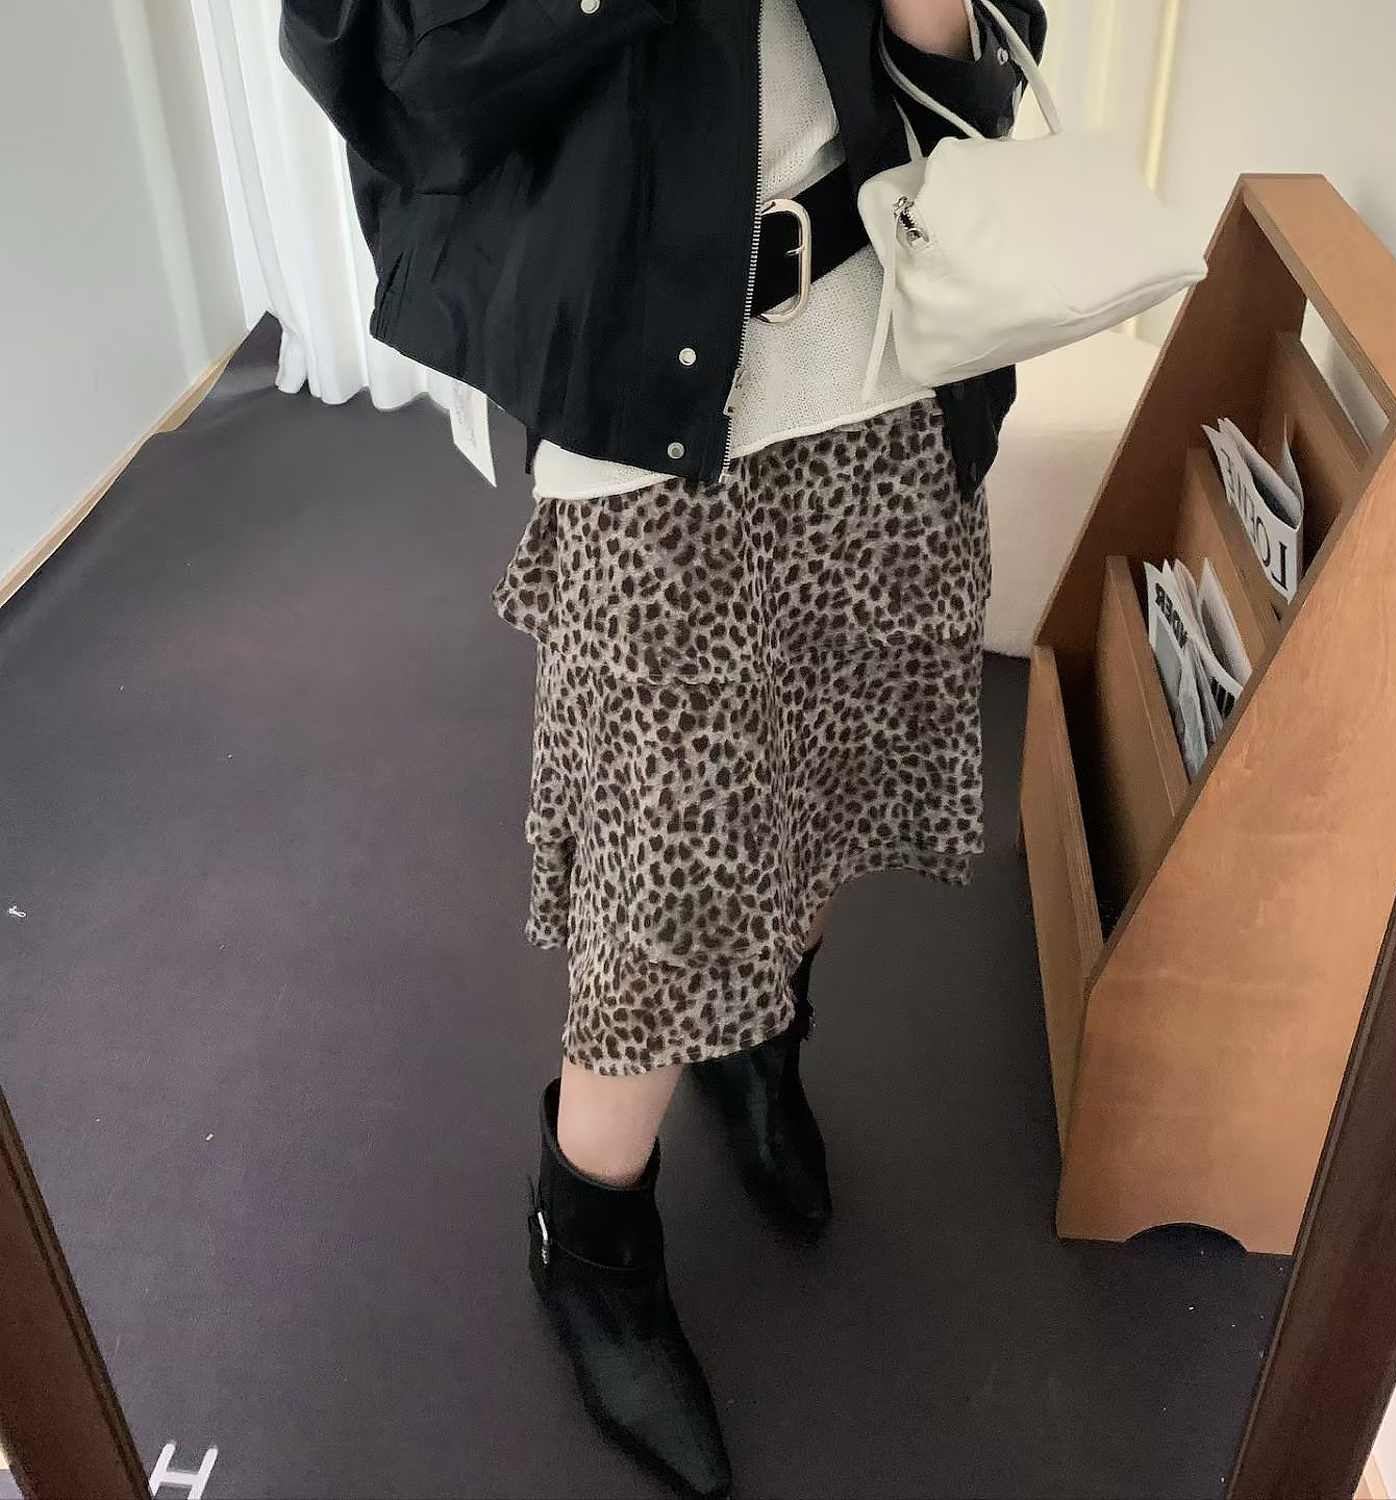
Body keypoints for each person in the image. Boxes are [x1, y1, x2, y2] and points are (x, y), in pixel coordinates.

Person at [282, 0, 1044, 1490]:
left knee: (838, 767)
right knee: (659, 859)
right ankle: (590, 1225)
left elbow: (970, 71)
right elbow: (411, 80)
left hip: (890, 351)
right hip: (645, 388)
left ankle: (758, 1039)